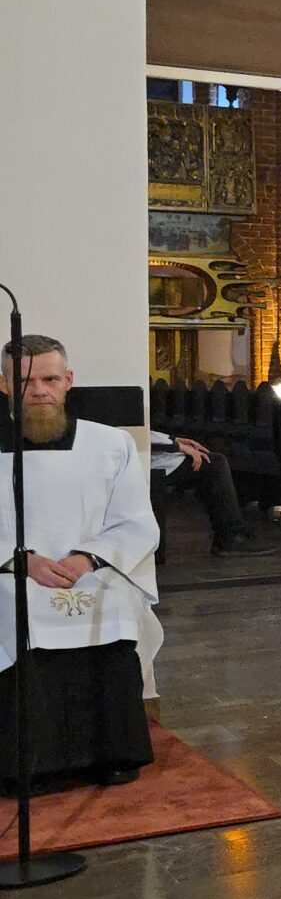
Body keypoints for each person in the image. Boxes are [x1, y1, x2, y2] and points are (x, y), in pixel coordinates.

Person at [0, 335, 162, 791]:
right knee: (12, 607)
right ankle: (23, 764)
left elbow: (136, 522)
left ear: (69, 380)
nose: (39, 391)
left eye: (50, 379)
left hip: (91, 569)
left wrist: (89, 558)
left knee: (114, 606)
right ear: (4, 384)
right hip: (12, 572)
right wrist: (21, 562)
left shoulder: (110, 444)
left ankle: (114, 753)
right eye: (25, 381)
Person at [149, 429, 276, 556]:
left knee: (211, 459)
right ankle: (231, 537)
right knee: (214, 464)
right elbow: (137, 433)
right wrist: (175, 445)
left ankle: (230, 533)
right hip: (147, 460)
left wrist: (173, 439)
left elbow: (142, 430)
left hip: (151, 450)